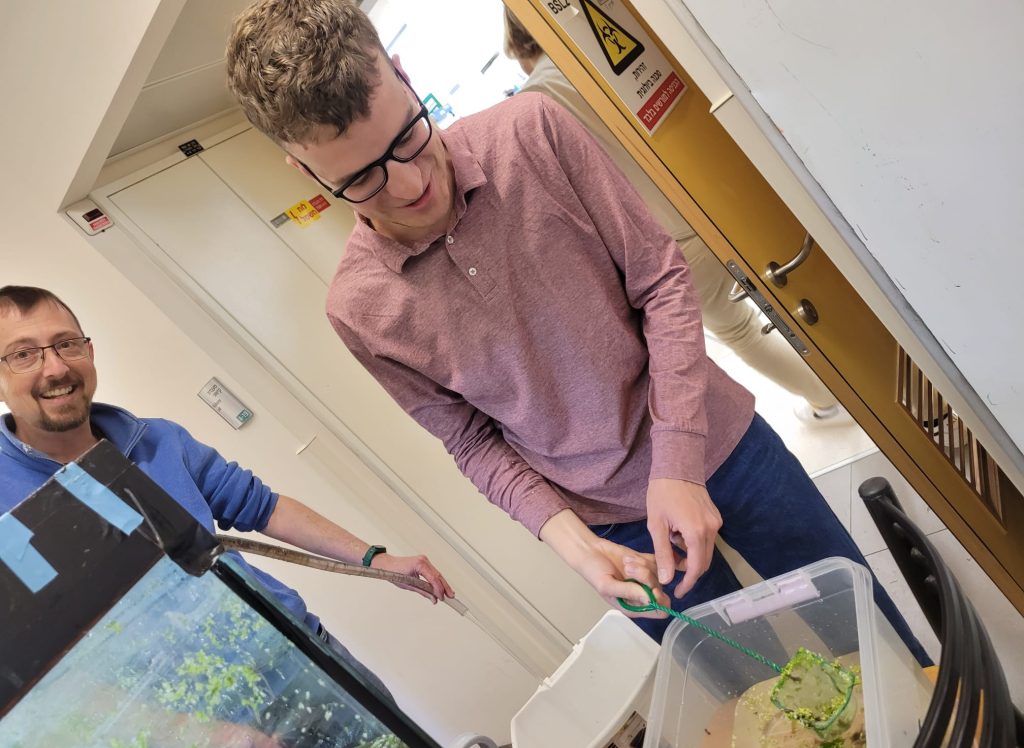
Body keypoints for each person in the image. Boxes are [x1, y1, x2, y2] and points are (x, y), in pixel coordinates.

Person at [224, 0, 928, 665]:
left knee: (871, 634)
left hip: (720, 440)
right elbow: (470, 441)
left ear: (405, 77)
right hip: (610, 527)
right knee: (753, 691)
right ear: (305, 170)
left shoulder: (532, 131)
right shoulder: (359, 309)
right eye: (362, 180)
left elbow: (661, 281)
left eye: (409, 136)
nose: (409, 186)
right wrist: (573, 543)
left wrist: (676, 461)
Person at [0, 285, 455, 704]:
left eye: (67, 344)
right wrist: (190, 734)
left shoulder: (158, 439)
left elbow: (264, 507)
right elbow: (38, 667)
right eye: (24, 354)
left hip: (301, 652)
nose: (56, 368)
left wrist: (374, 559)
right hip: (197, 717)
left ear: (90, 351)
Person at [502, 9, 846, 426]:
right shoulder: (602, 41)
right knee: (808, 282)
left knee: (741, 330)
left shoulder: (532, 106)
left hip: (669, 238)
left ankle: (827, 401)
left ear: (520, 47)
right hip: (721, 190)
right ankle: (864, 375)